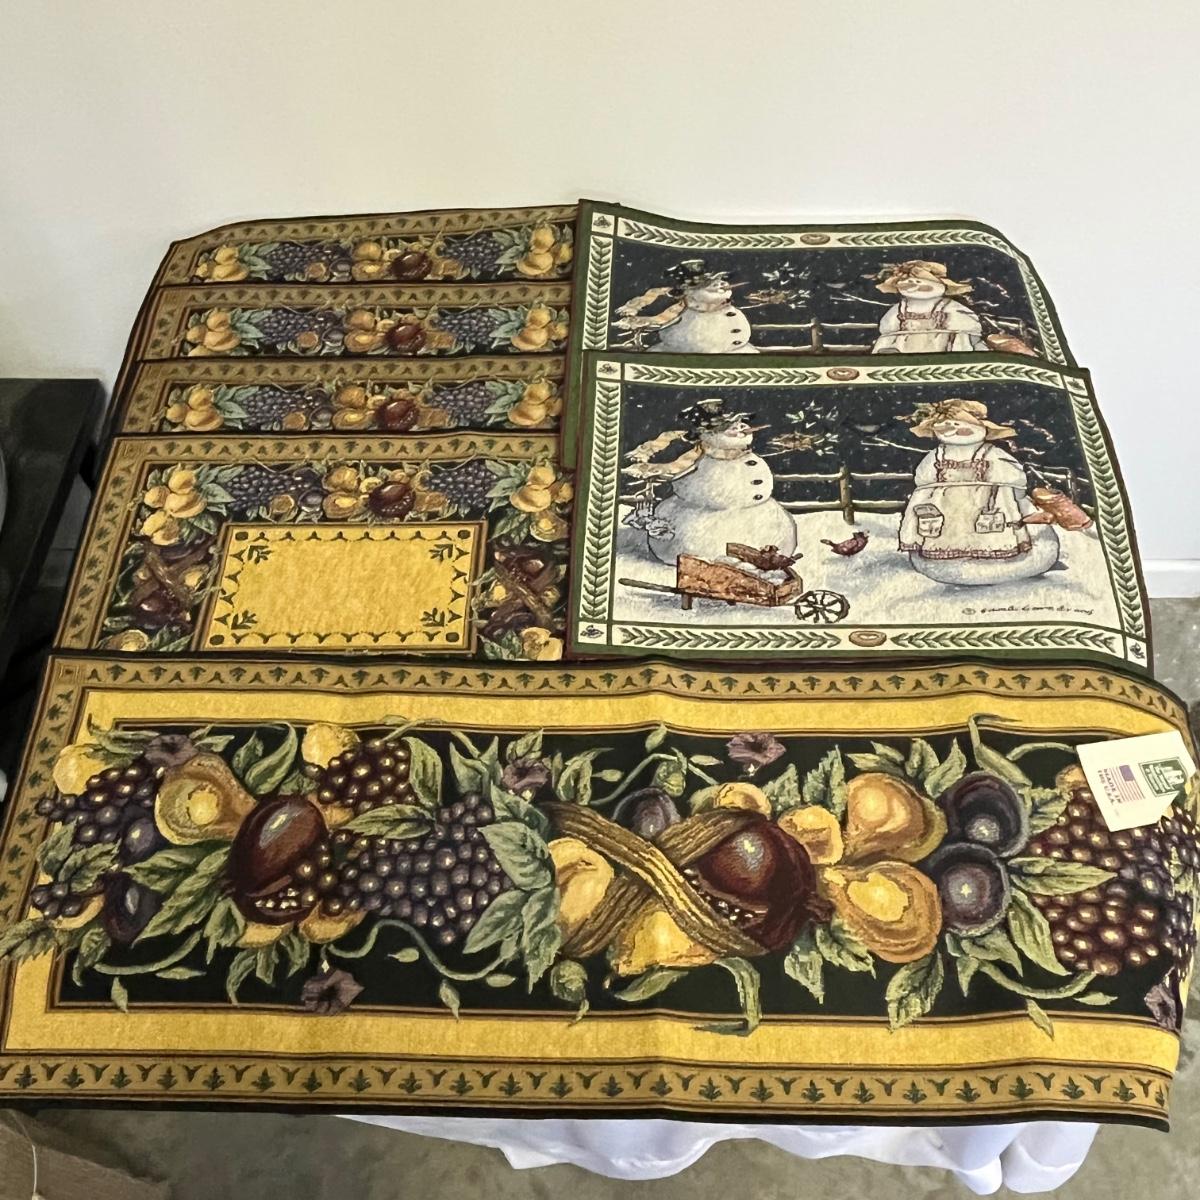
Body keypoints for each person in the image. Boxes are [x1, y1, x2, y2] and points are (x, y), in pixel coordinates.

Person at [898, 399, 1060, 586]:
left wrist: (1002, 485)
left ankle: (994, 558)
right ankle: (949, 556)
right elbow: (923, 477)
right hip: (947, 504)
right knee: (950, 530)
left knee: (988, 530)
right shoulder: (937, 454)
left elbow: (1014, 475)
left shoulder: (991, 453)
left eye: (959, 425)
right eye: (945, 426)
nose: (953, 430)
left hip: (988, 500)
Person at [872, 260, 984, 354]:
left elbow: (966, 323)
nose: (914, 285)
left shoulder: (947, 306)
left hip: (939, 344)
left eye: (919, 281)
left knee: (959, 339)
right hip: (905, 345)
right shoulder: (901, 308)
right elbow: (888, 327)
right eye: (908, 282)